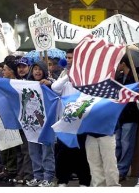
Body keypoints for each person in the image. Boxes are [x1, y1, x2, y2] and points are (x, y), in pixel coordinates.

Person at [51, 48, 91, 187]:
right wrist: (68, 75)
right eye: (67, 58)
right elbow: (55, 88)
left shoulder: (86, 76)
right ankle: (62, 180)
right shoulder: (64, 74)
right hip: (65, 121)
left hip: (80, 121)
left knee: (80, 153)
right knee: (63, 152)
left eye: (71, 58)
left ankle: (84, 181)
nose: (68, 60)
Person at [25, 61, 56, 187]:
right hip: (32, 125)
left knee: (47, 151)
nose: (37, 72)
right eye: (35, 69)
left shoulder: (50, 83)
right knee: (34, 152)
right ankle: (37, 176)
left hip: (47, 124)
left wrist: (50, 84)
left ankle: (48, 177)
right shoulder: (26, 85)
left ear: (44, 70)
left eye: (40, 69)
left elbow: (59, 91)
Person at [114, 54, 139, 181]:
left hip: (130, 115)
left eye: (118, 63)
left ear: (123, 63)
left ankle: (122, 170)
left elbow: (137, 96)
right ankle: (115, 168)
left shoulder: (136, 78)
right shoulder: (119, 77)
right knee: (117, 143)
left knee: (126, 144)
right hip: (119, 115)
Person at [0, 56, 19, 183]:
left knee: (12, 147)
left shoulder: (17, 83)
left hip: (13, 119)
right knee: (3, 146)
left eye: (5, 69)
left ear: (11, 71)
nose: (3, 72)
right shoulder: (2, 81)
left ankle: (11, 170)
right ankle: (6, 168)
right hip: (2, 118)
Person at [14, 56, 34, 185]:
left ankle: (27, 175)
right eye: (19, 67)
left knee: (27, 149)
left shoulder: (32, 82)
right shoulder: (16, 81)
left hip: (30, 121)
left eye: (24, 66)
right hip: (19, 120)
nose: (21, 69)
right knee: (20, 149)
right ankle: (21, 172)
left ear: (29, 68)